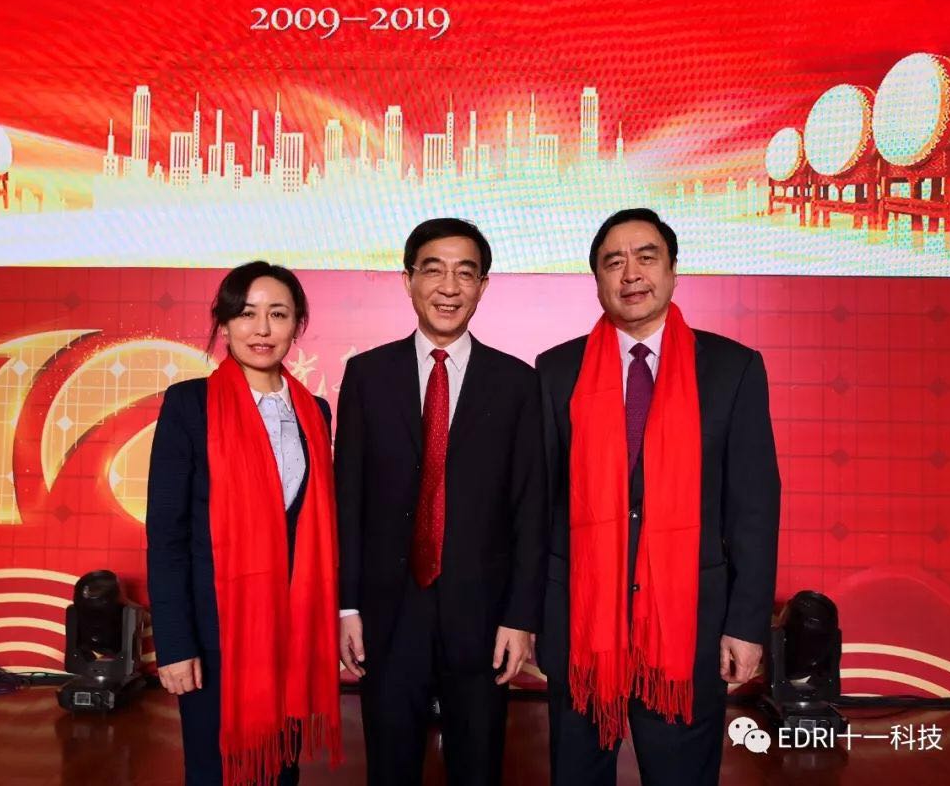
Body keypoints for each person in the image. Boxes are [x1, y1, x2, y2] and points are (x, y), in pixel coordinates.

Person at [536, 209, 780, 786]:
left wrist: (746, 624)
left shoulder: (733, 368)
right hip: (581, 620)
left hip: (688, 621)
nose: (631, 274)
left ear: (673, 270)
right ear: (596, 279)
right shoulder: (555, 370)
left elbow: (753, 507)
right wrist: (528, 619)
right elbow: (538, 507)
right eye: (613, 262)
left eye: (646, 258)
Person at [335, 218, 547, 786]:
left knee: (478, 767)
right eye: (433, 270)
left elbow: (530, 510)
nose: (449, 287)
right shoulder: (366, 375)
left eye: (465, 273)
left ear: (483, 285)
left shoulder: (517, 383)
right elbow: (348, 500)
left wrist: (520, 617)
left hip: (483, 618)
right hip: (387, 615)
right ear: (408, 280)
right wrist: (347, 607)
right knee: (389, 767)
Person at [146, 261, 342, 786]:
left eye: (278, 314)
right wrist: (176, 644)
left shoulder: (315, 412)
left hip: (291, 632)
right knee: (215, 770)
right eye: (247, 313)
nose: (262, 329)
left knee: (282, 767)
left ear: (297, 324)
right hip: (216, 632)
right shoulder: (189, 405)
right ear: (225, 322)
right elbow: (166, 537)